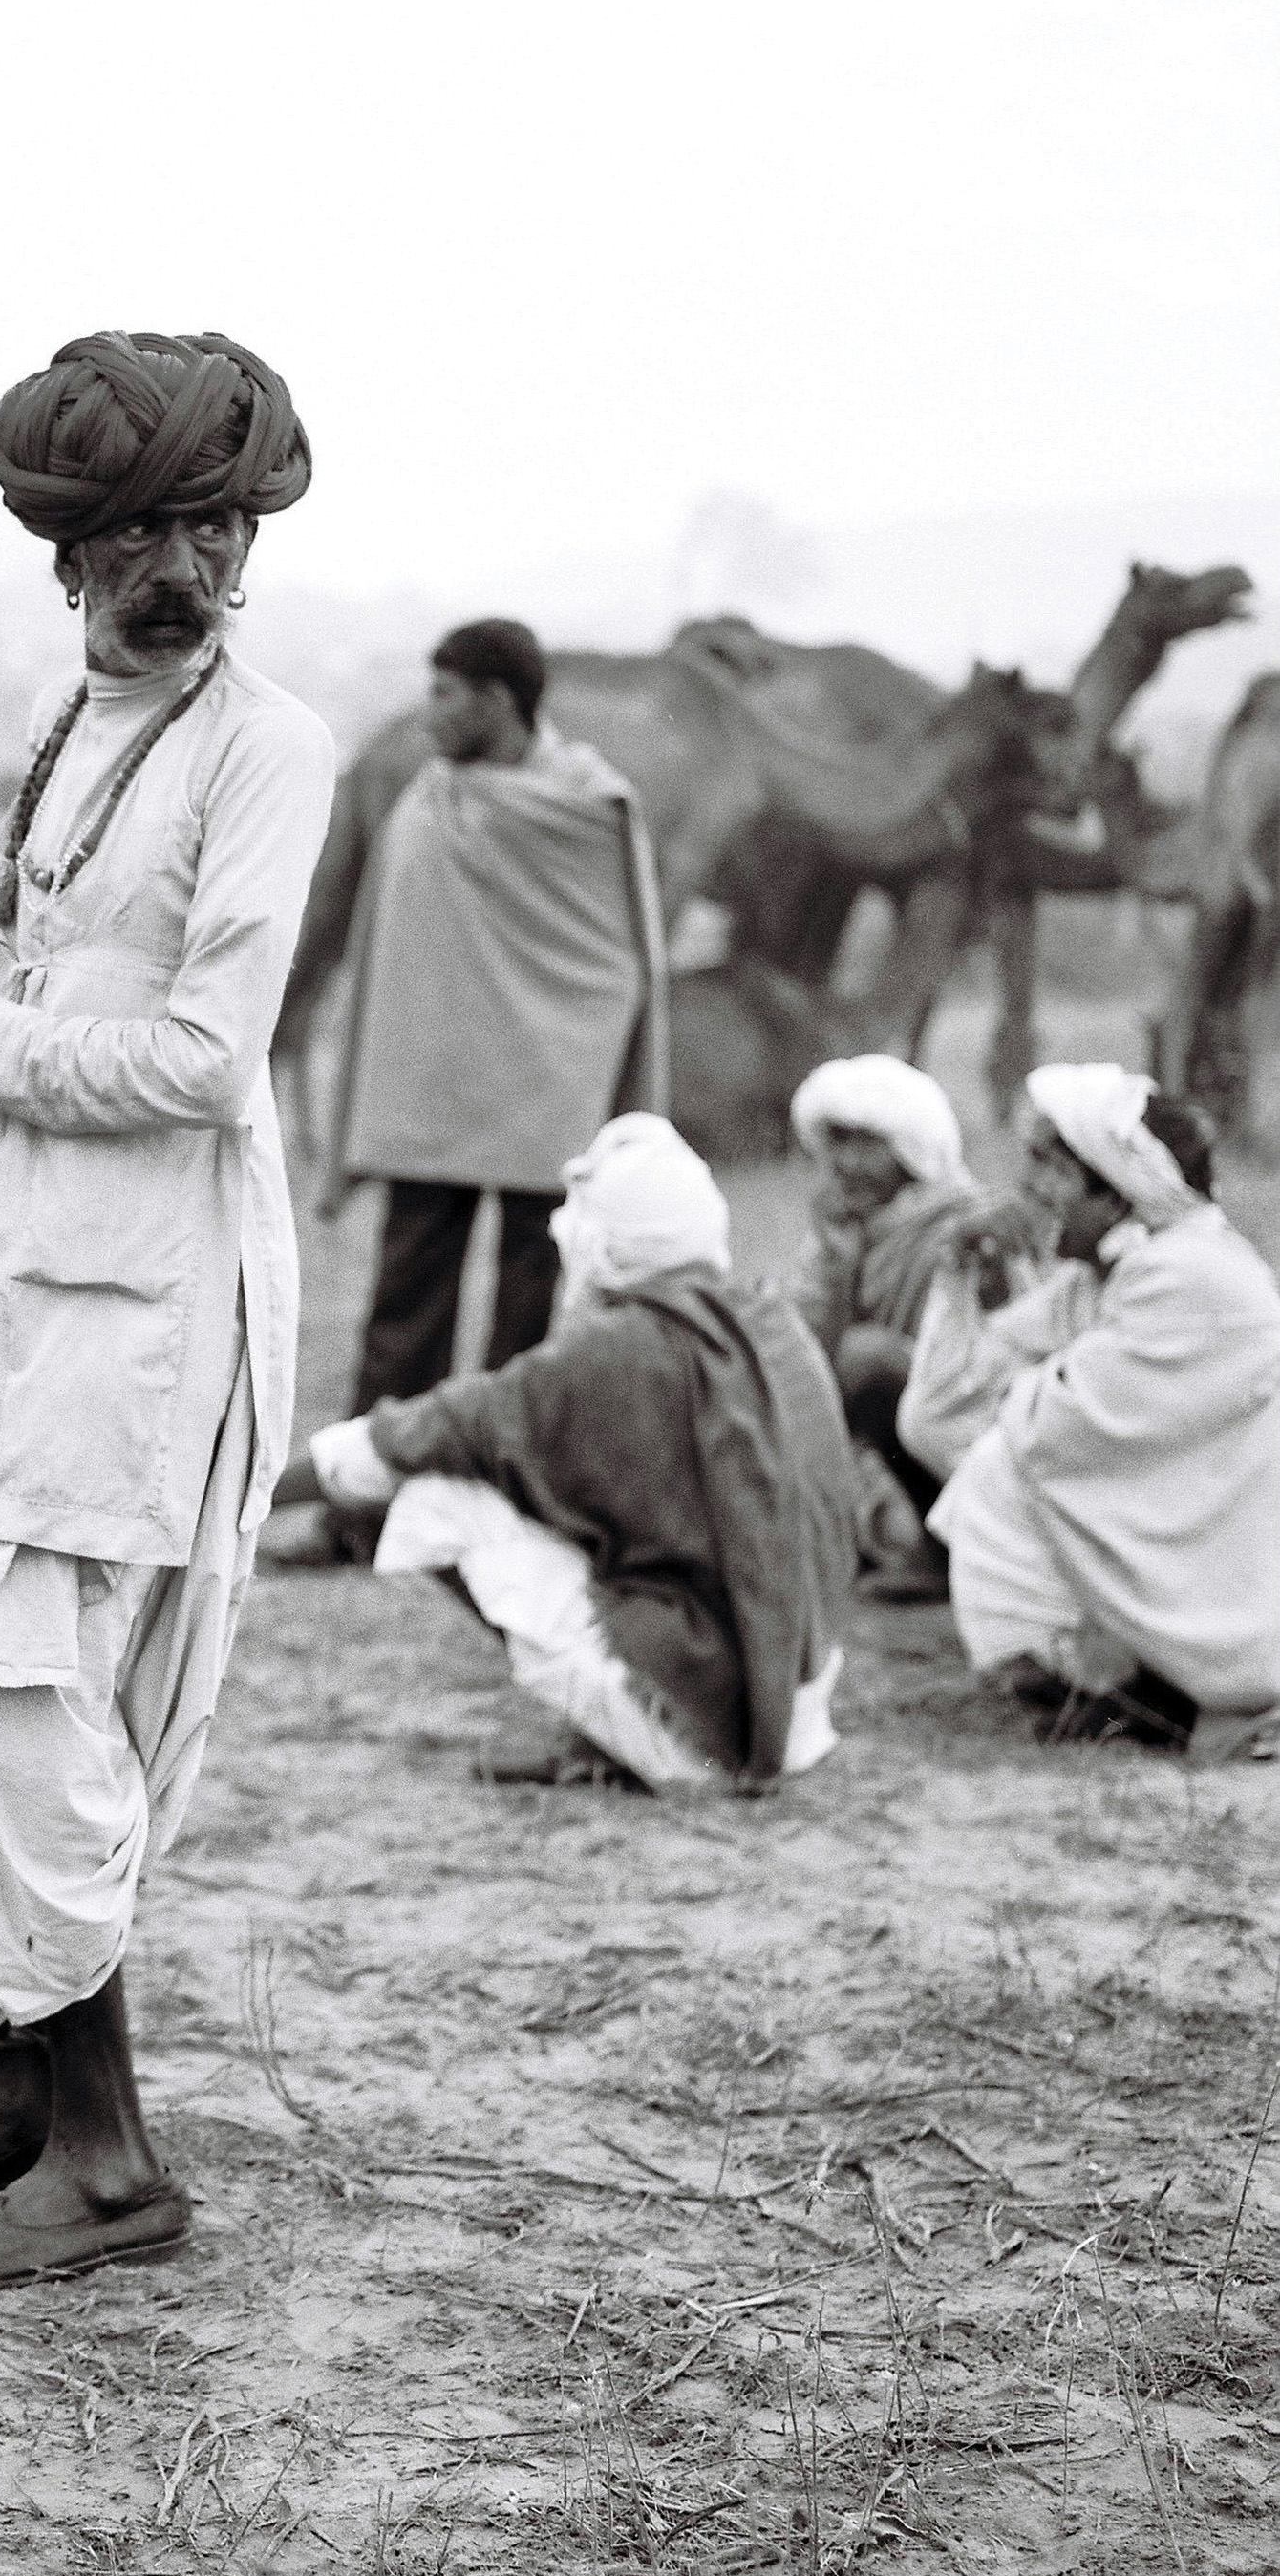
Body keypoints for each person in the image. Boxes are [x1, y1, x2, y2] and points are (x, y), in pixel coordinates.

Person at [0, 330, 334, 2293]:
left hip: (151, 1297)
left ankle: (111, 2160)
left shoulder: (267, 748)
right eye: (136, 529)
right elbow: (35, 944)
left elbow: (205, 1063)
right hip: (31, 1268)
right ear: (67, 555)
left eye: (208, 521)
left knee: (44, 1690)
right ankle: (19, 2102)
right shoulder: (83, 715)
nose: (177, 562)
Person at [278, 1116, 857, 1791]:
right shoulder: (771, 1320)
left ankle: (631, 1741)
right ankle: (627, 1730)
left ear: (607, 1243)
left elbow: (408, 1437)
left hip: (715, 1733)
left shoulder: (617, 1347)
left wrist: (249, 1497)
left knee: (438, 1496)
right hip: (803, 1704)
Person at [321, 618, 668, 1415]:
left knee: (528, 1323)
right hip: (436, 1097)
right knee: (404, 1312)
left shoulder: (591, 803)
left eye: (444, 695)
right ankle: (369, 1509)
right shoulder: (430, 794)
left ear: (495, 700)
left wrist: (566, 1045)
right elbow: (398, 942)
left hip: (548, 1100)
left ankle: (502, 1514)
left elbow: (618, 963)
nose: (429, 714)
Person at [928, 1064, 1280, 1748]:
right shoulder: (1108, 1272)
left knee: (1002, 1470)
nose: (1029, 1187)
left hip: (1231, 1565)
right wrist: (960, 1271)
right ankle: (1124, 1687)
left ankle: (1148, 1701)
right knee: (996, 1465)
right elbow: (941, 1409)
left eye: (1050, 1166)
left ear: (1117, 1194)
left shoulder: (1185, 1275)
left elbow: (1039, 1429)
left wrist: (1026, 1385)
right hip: (1189, 1537)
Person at [778, 1054, 989, 1589]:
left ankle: (946, 1552)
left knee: (867, 1358)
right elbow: (804, 1370)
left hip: (968, 1447)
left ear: (909, 1152)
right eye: (839, 1143)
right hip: (887, 1446)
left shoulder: (959, 1224)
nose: (847, 1163)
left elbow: (959, 1375)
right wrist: (841, 1271)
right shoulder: (839, 1229)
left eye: (867, 1145)